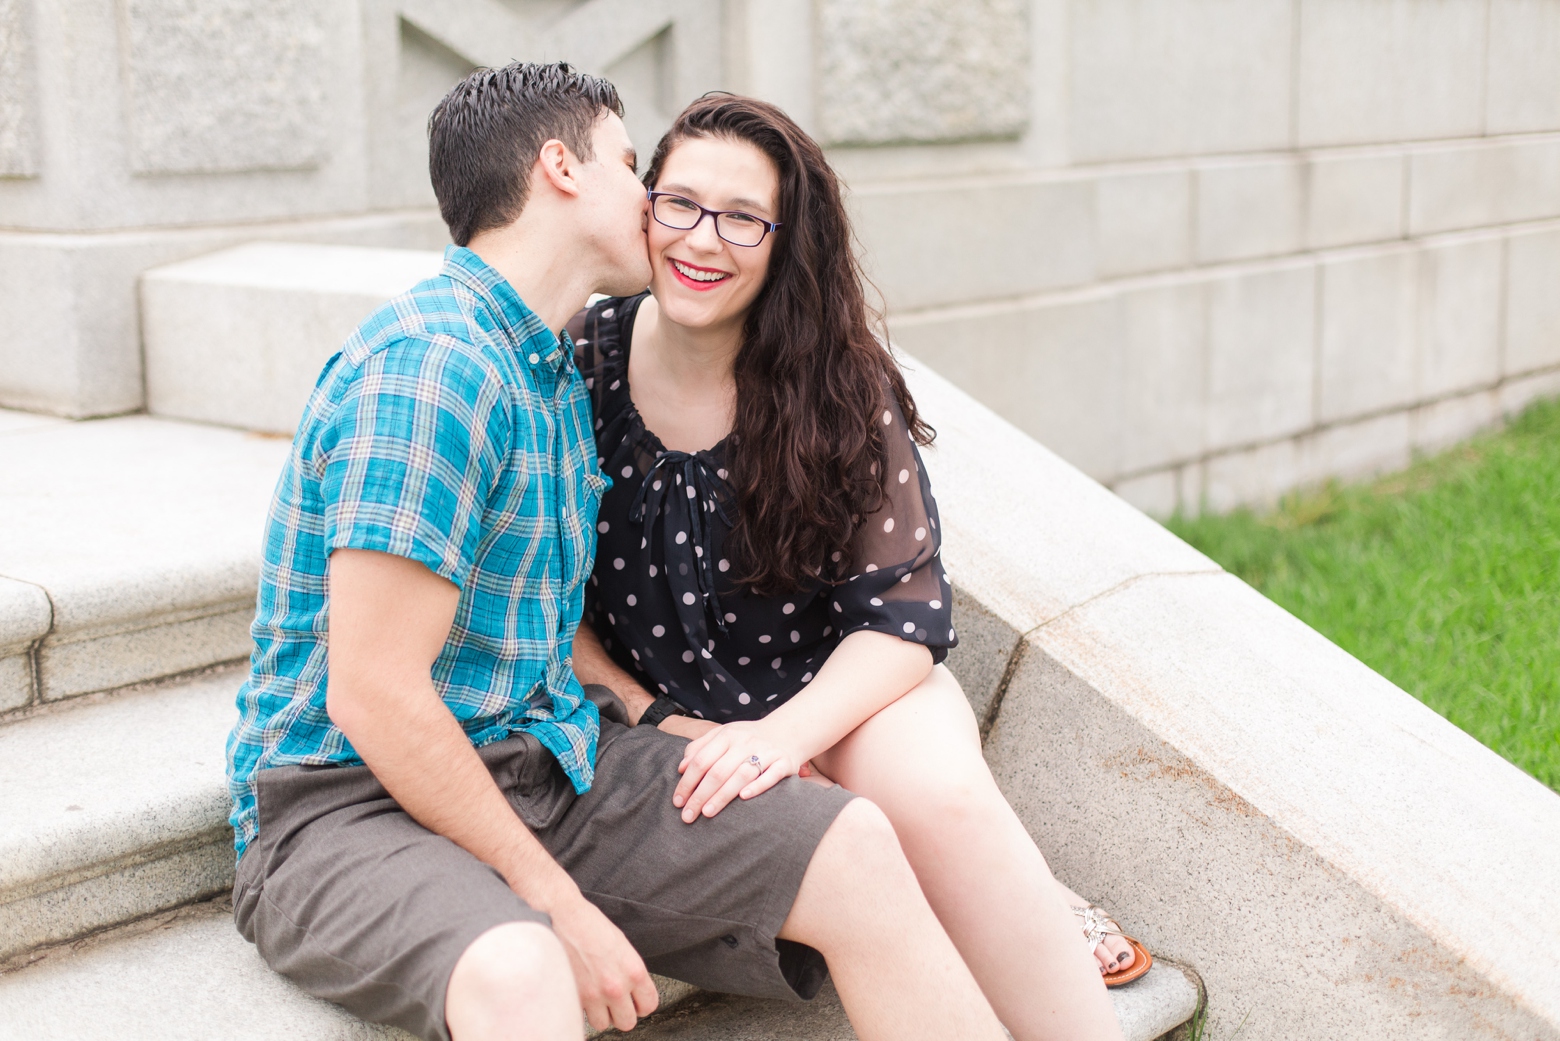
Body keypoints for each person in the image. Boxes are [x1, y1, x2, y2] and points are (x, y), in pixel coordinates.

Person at [224, 63, 1013, 1041]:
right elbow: (374, 693)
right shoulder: (434, 368)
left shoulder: (552, 363)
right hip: (350, 810)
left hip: (548, 764)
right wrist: (555, 903)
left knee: (851, 844)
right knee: (522, 971)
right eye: (634, 166)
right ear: (561, 168)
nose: (653, 203)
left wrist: (671, 727)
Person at [570, 94, 1143, 1041]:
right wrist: (656, 715)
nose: (702, 240)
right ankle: (1020, 888)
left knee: (939, 794)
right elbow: (551, 603)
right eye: (679, 203)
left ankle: (1025, 912)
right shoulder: (580, 362)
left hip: (845, 690)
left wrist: (785, 738)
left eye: (743, 217)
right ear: (644, 203)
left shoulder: (837, 381)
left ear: (785, 239)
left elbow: (901, 616)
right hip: (658, 712)